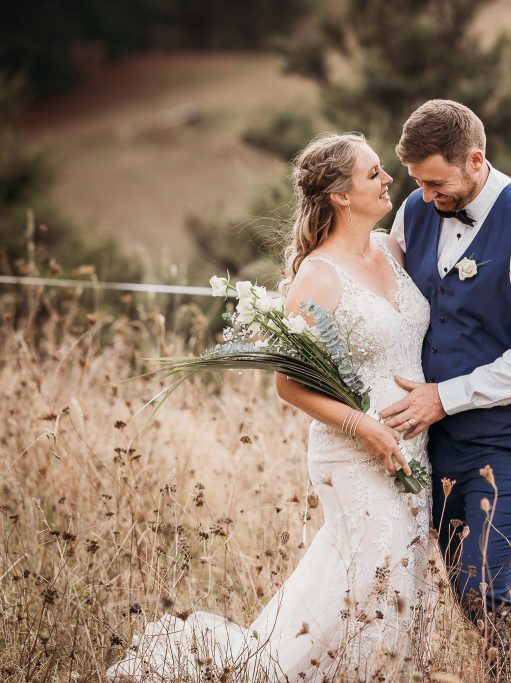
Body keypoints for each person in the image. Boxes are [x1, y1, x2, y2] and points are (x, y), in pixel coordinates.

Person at [106, 132, 435, 681]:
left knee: (395, 587)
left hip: (412, 453)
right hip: (356, 454)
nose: (387, 180)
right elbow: (288, 382)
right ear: (340, 196)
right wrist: (366, 428)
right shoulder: (317, 276)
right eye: (374, 173)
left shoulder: (390, 250)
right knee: (376, 590)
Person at [380, 99, 511, 681]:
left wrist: (445, 396)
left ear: (475, 160)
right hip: (434, 446)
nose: (425, 195)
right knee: (462, 585)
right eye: (417, 182)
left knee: (485, 579)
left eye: (436, 181)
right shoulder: (415, 211)